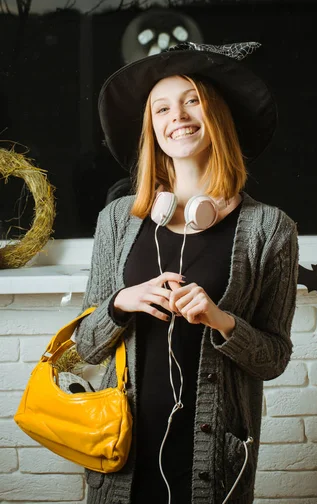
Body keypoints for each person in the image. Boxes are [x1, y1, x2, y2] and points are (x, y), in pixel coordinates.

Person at [74, 41, 299, 504]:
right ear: (152, 127)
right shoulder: (118, 219)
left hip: (212, 460)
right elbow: (85, 345)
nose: (176, 115)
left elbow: (273, 358)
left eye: (191, 100)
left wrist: (222, 320)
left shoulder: (269, 228)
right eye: (161, 108)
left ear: (215, 113)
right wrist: (121, 303)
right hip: (122, 452)